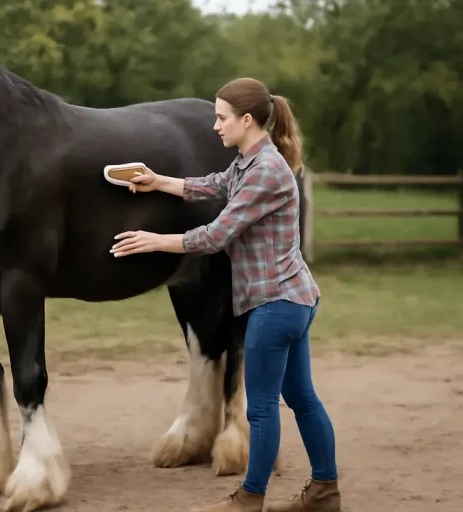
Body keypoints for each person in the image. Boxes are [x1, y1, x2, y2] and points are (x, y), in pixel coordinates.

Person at [110, 77, 341, 512]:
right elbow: (212, 185)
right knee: (301, 398)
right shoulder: (249, 163)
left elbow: (218, 234)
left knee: (261, 408)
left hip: (275, 304)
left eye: (221, 118)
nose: (215, 126)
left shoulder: (266, 172)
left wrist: (155, 240)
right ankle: (325, 492)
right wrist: (157, 181)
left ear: (247, 120)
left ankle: (250, 500)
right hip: (291, 299)